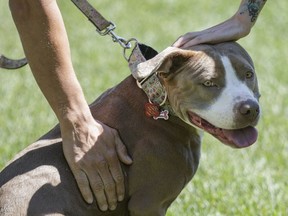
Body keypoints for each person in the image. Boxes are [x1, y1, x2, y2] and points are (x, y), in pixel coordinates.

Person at [8, 0, 266, 212]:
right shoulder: (161, 144)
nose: (247, 104)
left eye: (247, 76)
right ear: (165, 71)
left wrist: (244, 18)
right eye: (210, 84)